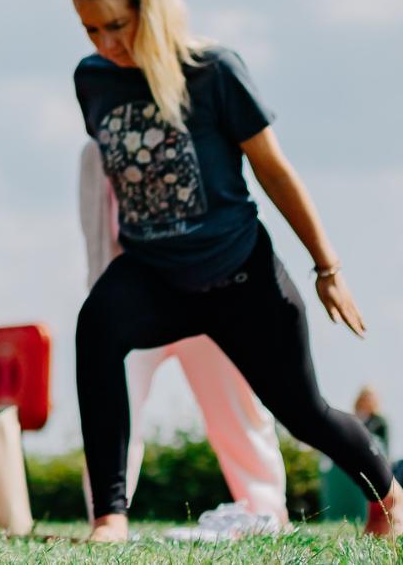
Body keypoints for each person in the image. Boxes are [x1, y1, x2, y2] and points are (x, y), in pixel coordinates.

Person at [69, 0, 400, 541]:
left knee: (304, 413)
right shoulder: (92, 80)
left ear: (150, 9)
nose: (104, 43)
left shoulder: (213, 72)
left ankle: (388, 494)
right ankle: (110, 515)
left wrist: (328, 268)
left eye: (115, 25)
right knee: (96, 330)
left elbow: (273, 170)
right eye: (90, 30)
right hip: (154, 274)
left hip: (237, 271)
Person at [77, 139, 289, 525]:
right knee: (114, 408)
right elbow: (96, 235)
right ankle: (107, 514)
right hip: (133, 303)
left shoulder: (199, 130)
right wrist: (102, 313)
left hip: (208, 295)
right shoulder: (97, 150)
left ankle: (267, 510)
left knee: (237, 409)